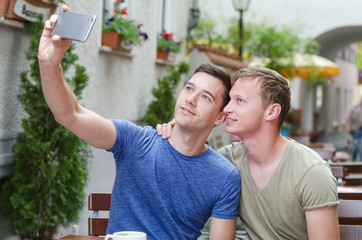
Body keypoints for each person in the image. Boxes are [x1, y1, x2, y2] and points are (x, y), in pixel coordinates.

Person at [38, 6, 241, 240]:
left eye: (206, 97)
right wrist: (49, 64)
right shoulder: (135, 140)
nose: (191, 99)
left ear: (220, 117)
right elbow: (69, 114)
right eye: (188, 88)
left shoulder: (224, 176)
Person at [157, 67, 340, 239]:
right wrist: (177, 132)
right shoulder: (228, 160)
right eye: (230, 100)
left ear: (272, 112)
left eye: (239, 101)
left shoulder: (311, 172)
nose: (227, 109)